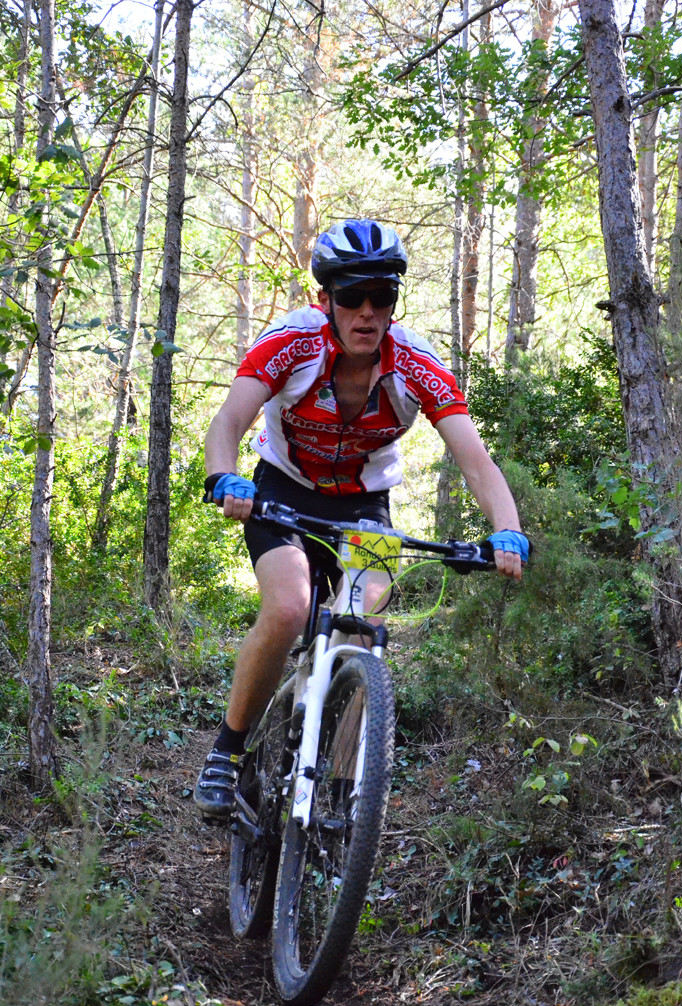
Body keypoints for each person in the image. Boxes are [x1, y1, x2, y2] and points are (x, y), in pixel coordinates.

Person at [194, 219, 529, 822]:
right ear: (326, 300)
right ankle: (228, 749)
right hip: (283, 492)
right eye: (351, 297)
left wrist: (508, 529)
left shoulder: (415, 365)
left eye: (382, 297)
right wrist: (224, 477)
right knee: (291, 606)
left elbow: (474, 459)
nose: (367, 312)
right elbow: (228, 423)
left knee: (360, 627)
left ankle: (340, 792)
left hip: (363, 506)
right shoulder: (290, 343)